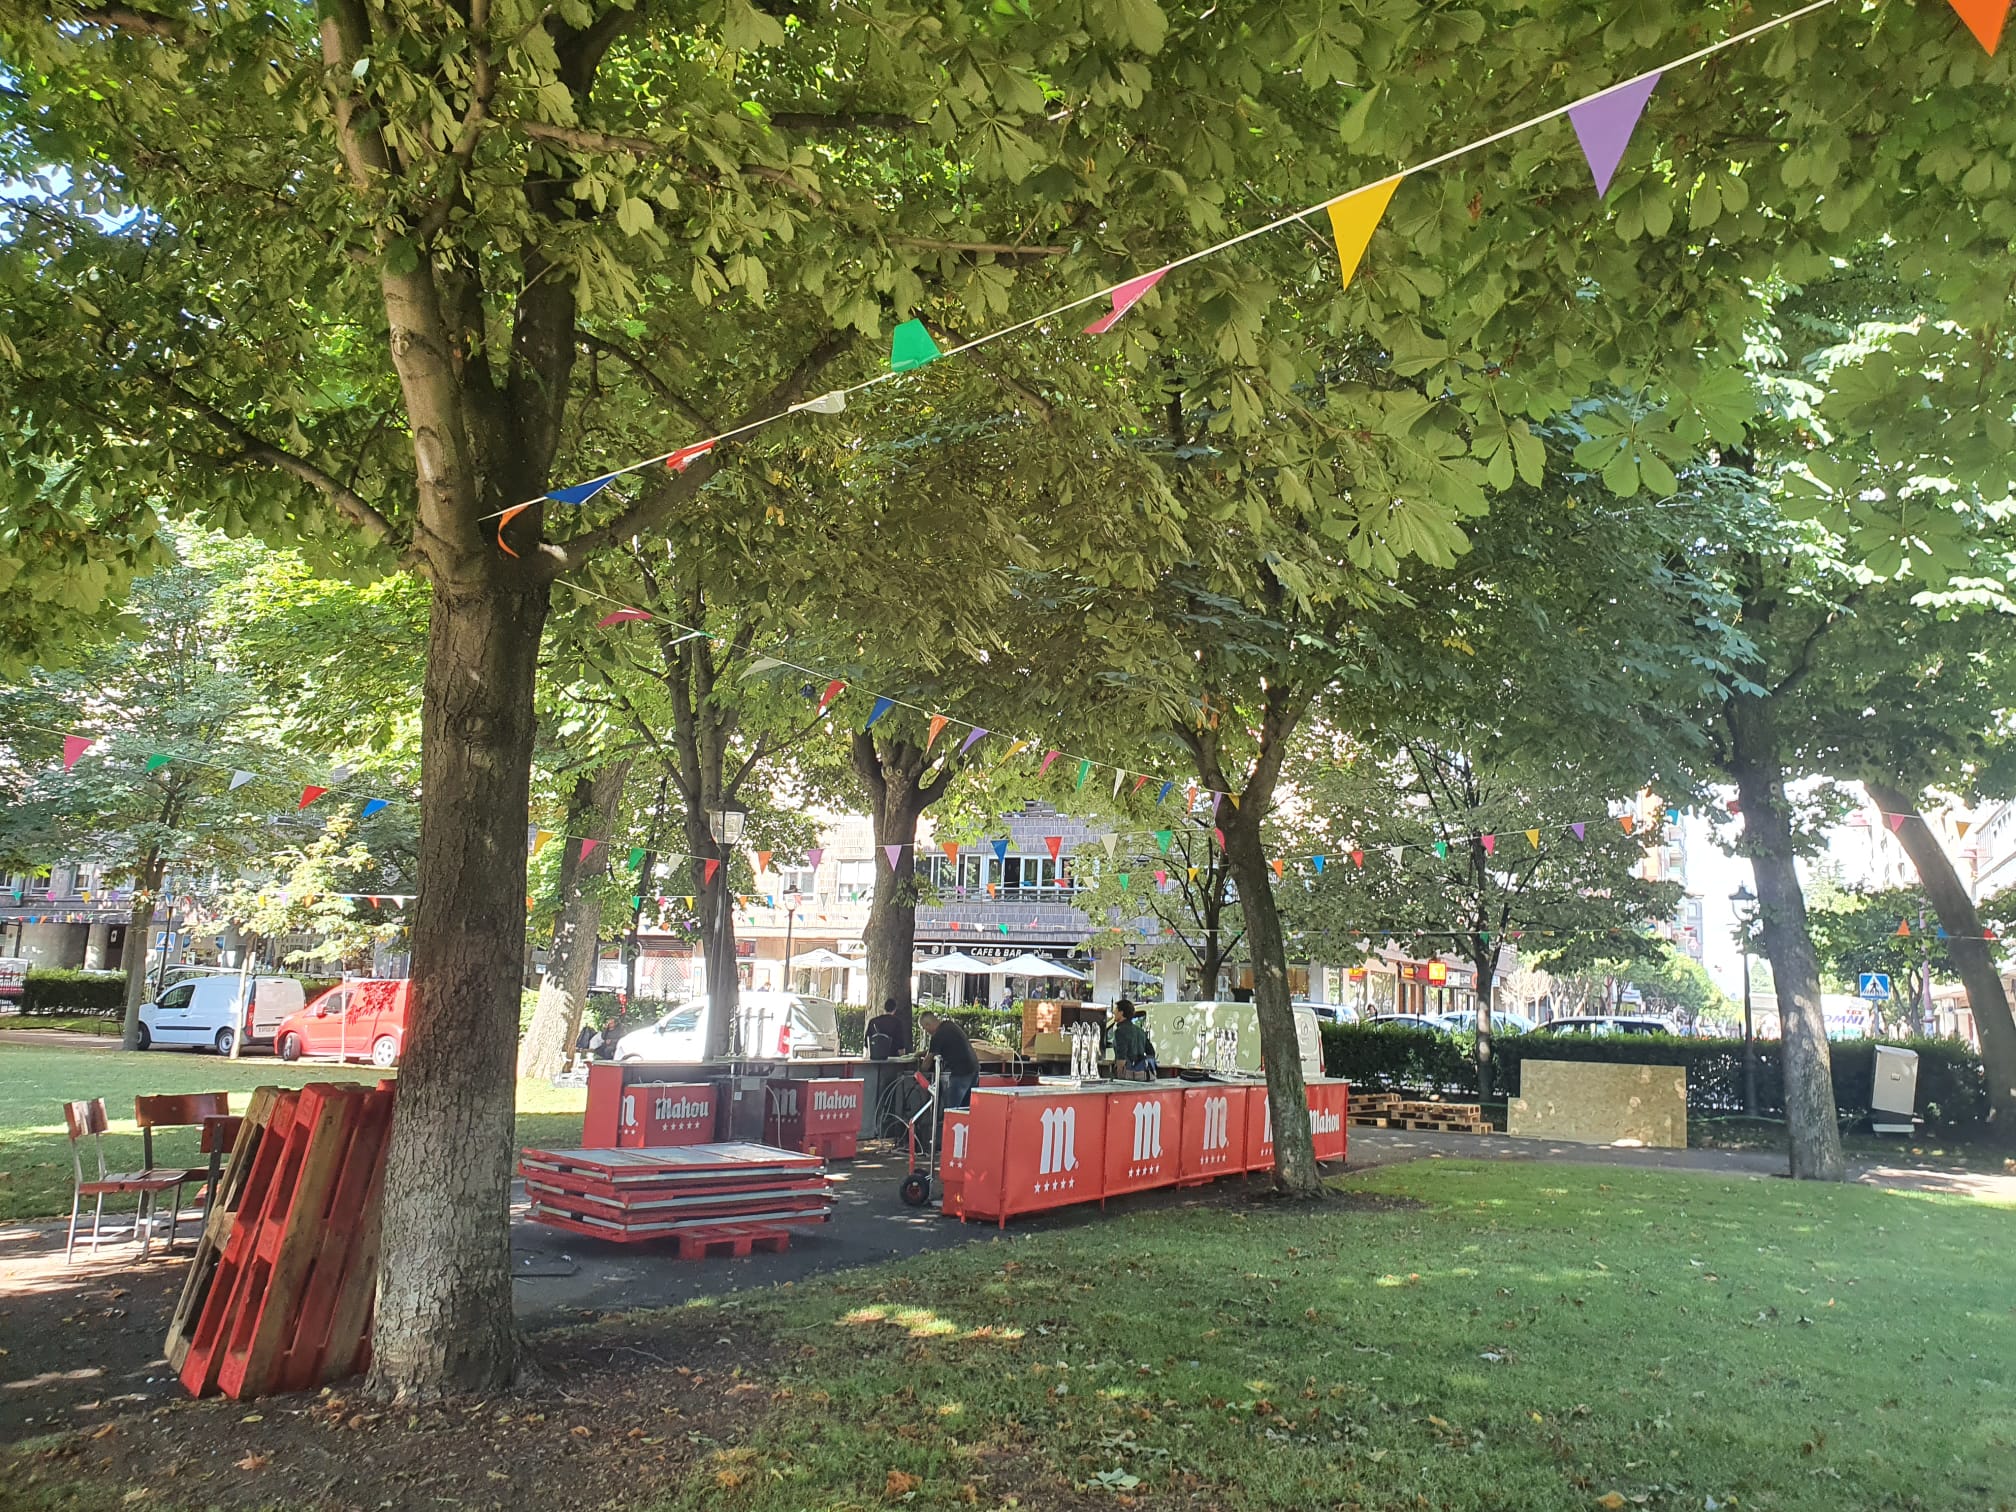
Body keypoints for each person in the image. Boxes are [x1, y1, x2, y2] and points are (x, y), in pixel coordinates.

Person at [918, 1009, 979, 1110]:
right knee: (966, 1110)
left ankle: (949, 1125)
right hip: (974, 1069)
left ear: (928, 1025)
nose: (927, 1032)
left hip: (961, 1073)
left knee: (951, 1109)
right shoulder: (949, 1025)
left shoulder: (938, 1036)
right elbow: (936, 1049)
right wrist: (920, 1053)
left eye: (925, 1028)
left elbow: (927, 1062)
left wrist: (919, 1073)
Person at [1111, 999, 1156, 1080]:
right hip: (1142, 1075)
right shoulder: (1140, 1031)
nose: (1114, 1012)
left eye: (1116, 1009)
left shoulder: (1120, 1031)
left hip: (1126, 1077)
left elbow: (1121, 1057)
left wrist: (1119, 1076)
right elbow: (1151, 1052)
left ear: (1121, 1012)